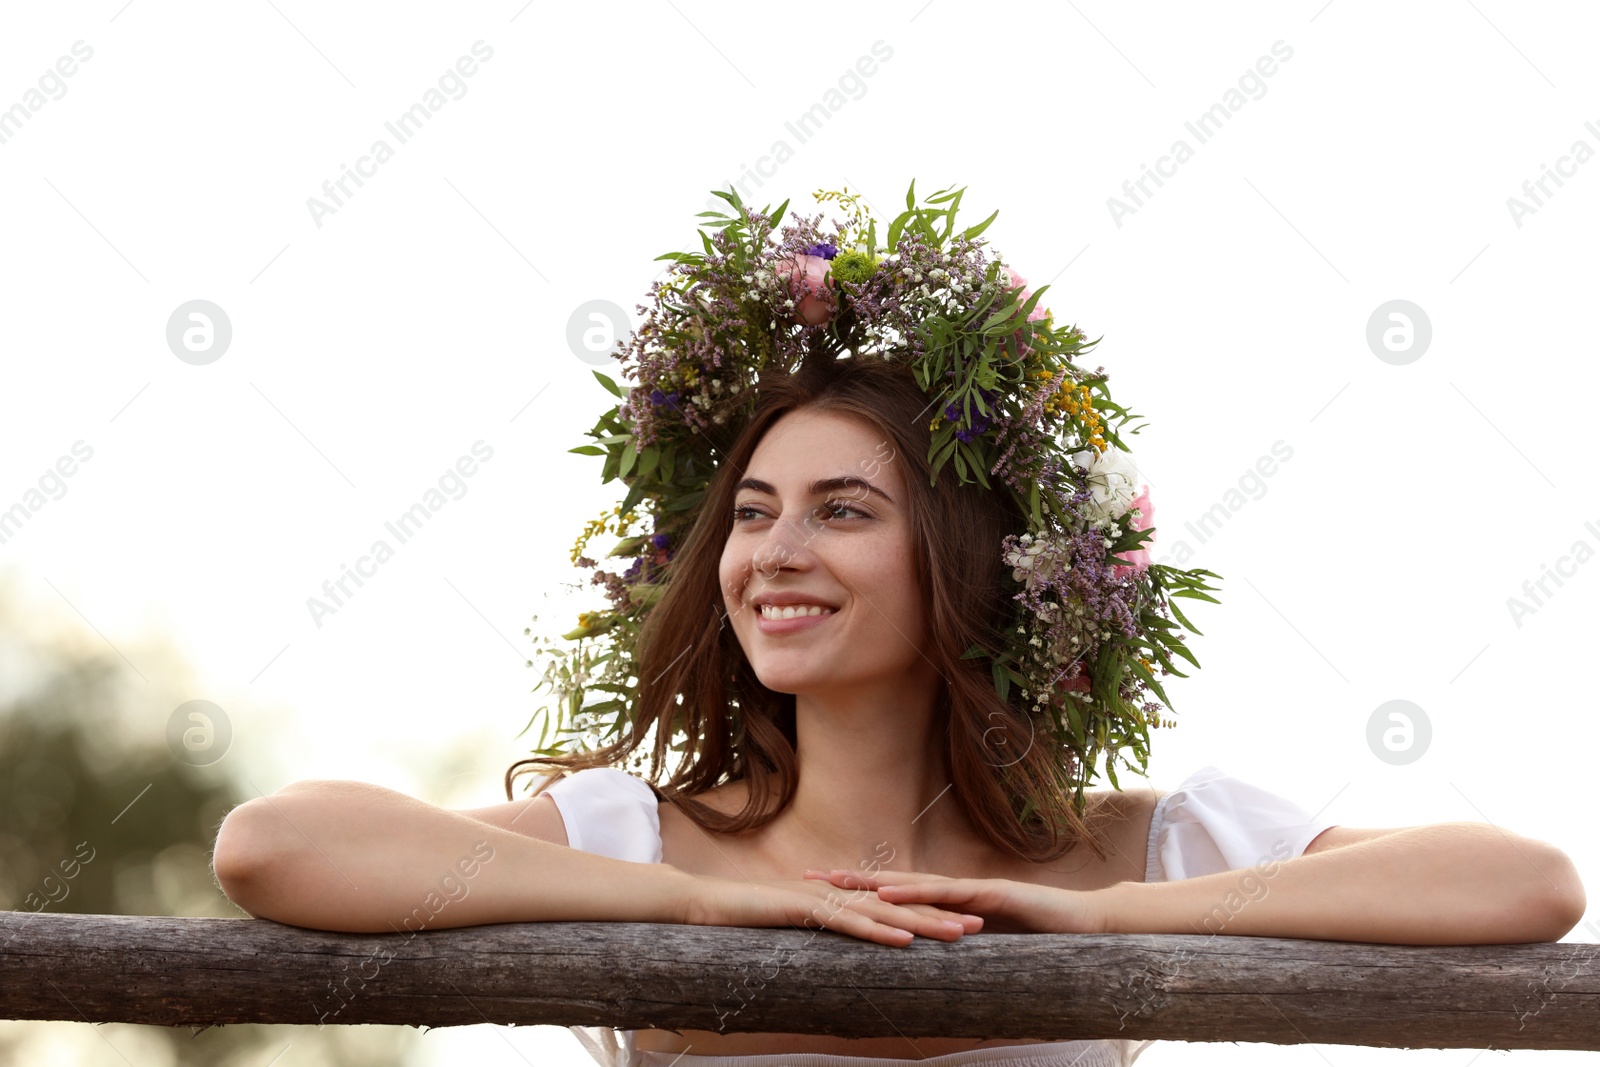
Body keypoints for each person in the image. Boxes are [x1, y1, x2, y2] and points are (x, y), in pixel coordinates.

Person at [212, 186, 1586, 1066]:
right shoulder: (644, 839)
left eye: (843, 512)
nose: (773, 554)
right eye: (751, 513)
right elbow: (278, 847)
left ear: (974, 564)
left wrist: (1113, 926)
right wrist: (705, 902)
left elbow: (1522, 885)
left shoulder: (1129, 849)